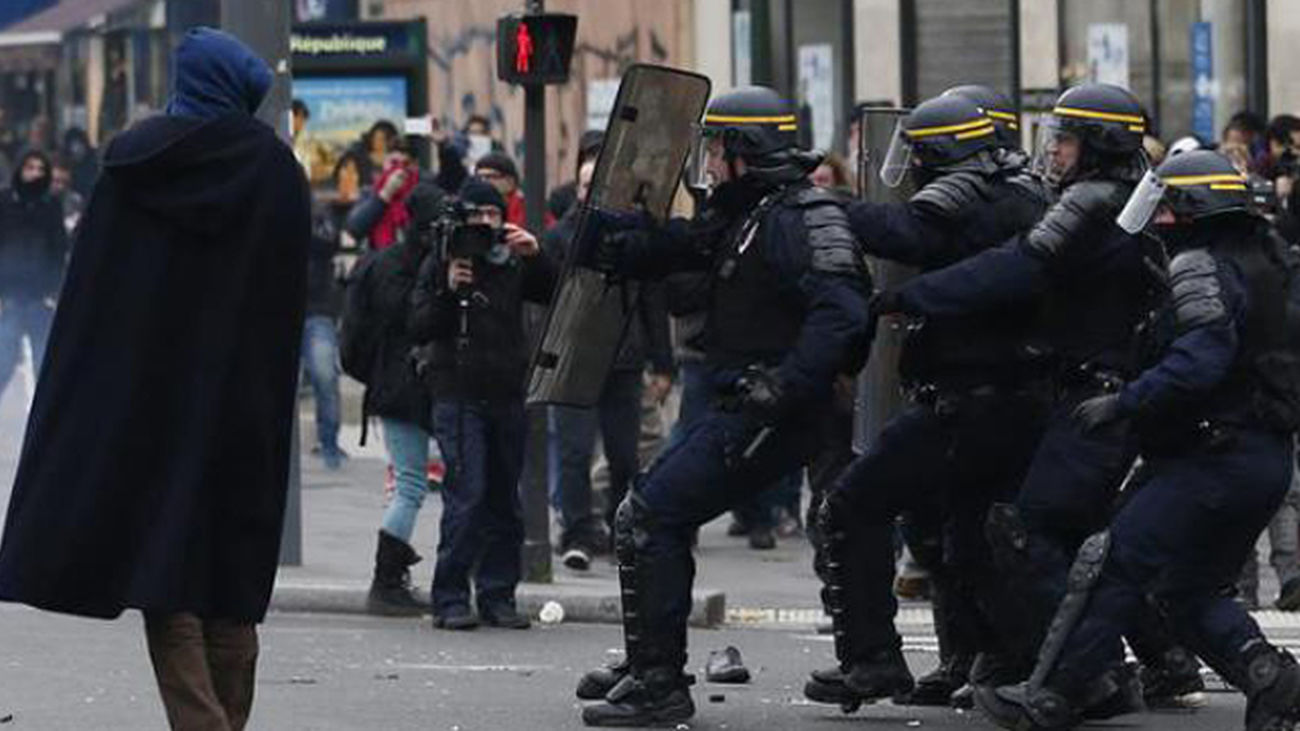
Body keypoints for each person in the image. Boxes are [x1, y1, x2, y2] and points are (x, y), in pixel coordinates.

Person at [0, 28, 308, 731]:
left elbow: (94, 304)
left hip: (152, 406)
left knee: (165, 573)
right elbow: (286, 301)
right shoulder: (276, 174)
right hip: (243, 406)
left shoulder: (134, 168)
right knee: (230, 580)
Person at [871, 83, 1180, 712]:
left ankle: (1079, 680)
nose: (1054, 151)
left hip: (1097, 393)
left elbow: (1015, 266)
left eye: (1064, 138)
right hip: (1095, 391)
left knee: (1030, 530)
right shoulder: (1118, 202)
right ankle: (1148, 663)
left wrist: (910, 296)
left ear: (1097, 144)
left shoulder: (1093, 203)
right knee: (1082, 538)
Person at [575, 86, 873, 726]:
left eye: (714, 151)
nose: (706, 165)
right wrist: (619, 239)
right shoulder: (749, 214)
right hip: (746, 398)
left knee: (653, 514)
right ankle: (648, 663)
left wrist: (787, 384)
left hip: (780, 412)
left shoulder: (804, 216)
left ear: (746, 153)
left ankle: (660, 685)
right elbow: (685, 246)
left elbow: (844, 314)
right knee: (644, 512)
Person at [985, 149, 1300, 731]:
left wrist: (1124, 403)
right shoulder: (1272, 261)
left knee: (1112, 563)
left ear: (1188, 208)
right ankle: (1268, 676)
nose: (1154, 218)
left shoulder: (1200, 266)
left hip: (1209, 456)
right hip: (1262, 457)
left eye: (1163, 205)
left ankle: (1050, 694)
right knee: (1185, 589)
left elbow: (1200, 361)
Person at [804, 92, 1052, 711]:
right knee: (964, 541)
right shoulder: (1010, 194)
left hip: (972, 404)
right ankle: (994, 662)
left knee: (851, 508)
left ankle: (873, 661)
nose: (908, 166)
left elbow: (905, 232)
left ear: (943, 153)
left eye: (916, 153)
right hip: (981, 401)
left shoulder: (989, 201)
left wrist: (820, 206)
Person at [409, 177, 555, 630]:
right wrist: (448, 290)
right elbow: (418, 326)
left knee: (503, 500)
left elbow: (555, 293)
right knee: (467, 495)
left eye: (494, 216)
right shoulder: (443, 261)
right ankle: (450, 596)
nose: (487, 225)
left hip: (507, 392)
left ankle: (498, 595)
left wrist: (535, 256)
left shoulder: (511, 261)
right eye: (478, 217)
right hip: (457, 393)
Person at [546, 154, 674, 571]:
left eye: (597, 185)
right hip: (573, 361)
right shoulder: (561, 236)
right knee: (574, 453)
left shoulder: (632, 237)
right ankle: (576, 532)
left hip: (623, 360)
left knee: (624, 454)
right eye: (584, 185)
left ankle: (618, 525)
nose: (590, 193)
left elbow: (652, 301)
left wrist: (662, 362)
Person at [341, 182, 445, 615]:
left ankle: (391, 577)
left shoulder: (381, 263)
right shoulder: (415, 268)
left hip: (389, 386)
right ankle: (386, 581)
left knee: (410, 483)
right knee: (411, 486)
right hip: (407, 389)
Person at [0, 150, 67, 400]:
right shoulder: (5, 201)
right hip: (9, 296)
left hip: (40, 297)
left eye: (40, 169)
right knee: (3, 359)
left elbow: (59, 249)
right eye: (30, 168)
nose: (35, 174)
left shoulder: (51, 205)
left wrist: (54, 291)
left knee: (44, 363)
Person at [475, 151, 554, 229]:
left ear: (510, 181)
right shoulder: (472, 206)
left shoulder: (528, 208)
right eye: (479, 178)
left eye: (490, 177)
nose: (483, 182)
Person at [61, 127, 99, 199]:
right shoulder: (67, 165)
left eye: (79, 144)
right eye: (72, 145)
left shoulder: (95, 160)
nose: (76, 149)